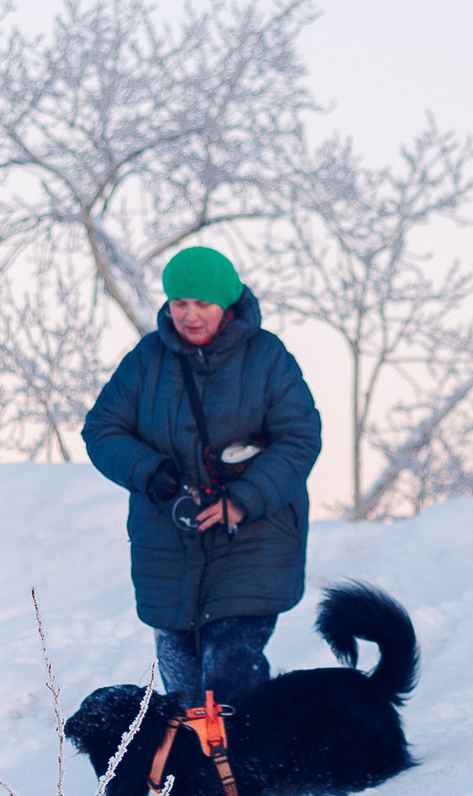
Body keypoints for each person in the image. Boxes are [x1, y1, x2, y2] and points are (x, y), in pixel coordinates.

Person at [83, 247, 322, 708]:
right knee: (185, 692)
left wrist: (244, 497)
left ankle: (246, 776)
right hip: (168, 543)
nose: (189, 316)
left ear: (227, 306)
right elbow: (101, 429)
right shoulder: (147, 359)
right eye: (179, 303)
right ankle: (202, 778)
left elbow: (300, 437)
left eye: (203, 305)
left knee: (229, 674)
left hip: (252, 538)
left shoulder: (268, 358)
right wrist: (148, 471)